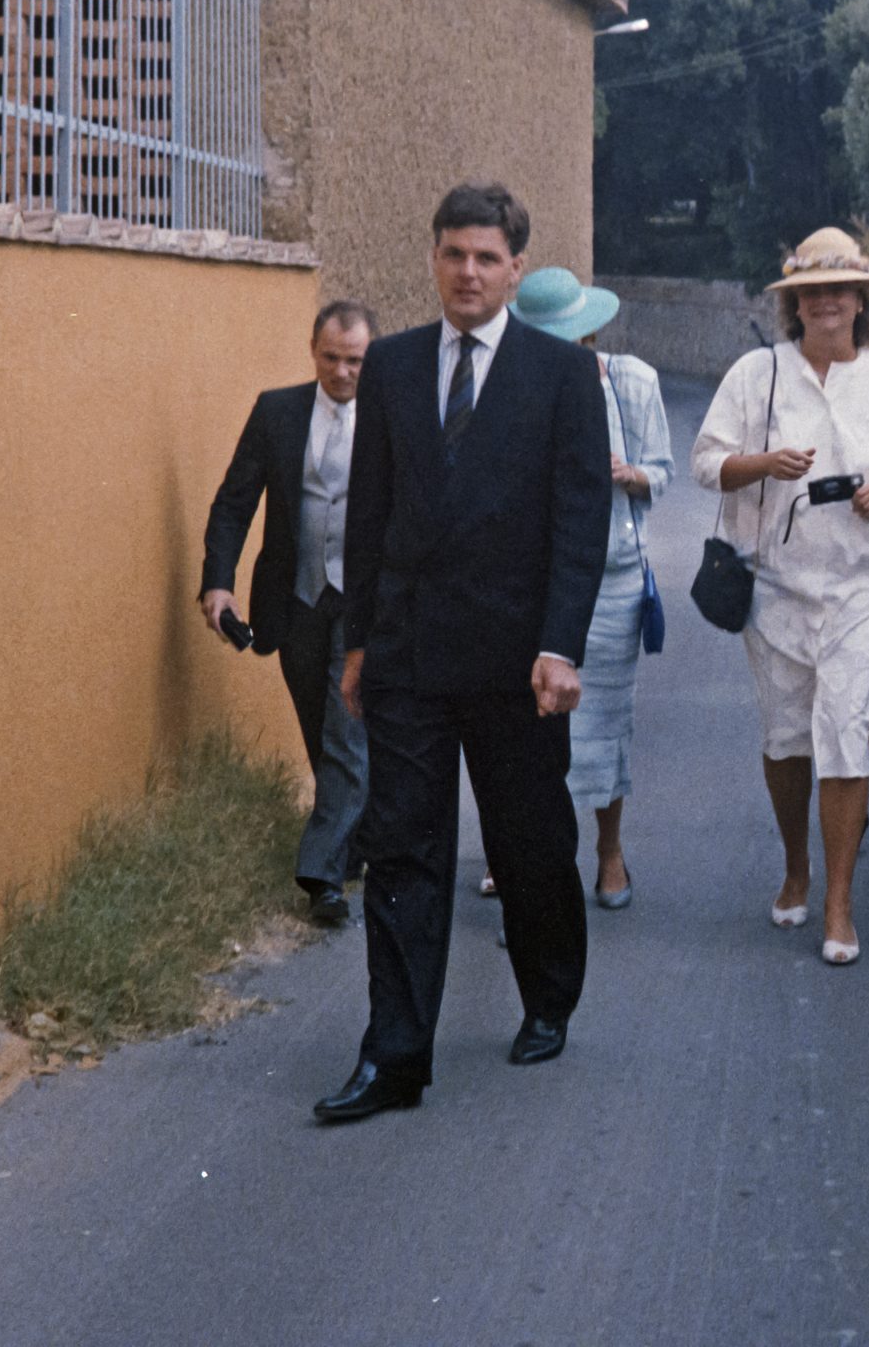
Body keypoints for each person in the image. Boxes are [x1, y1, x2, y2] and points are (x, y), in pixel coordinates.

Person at [311, 184, 611, 1125]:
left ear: (516, 268)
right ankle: (395, 1055)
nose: (468, 272)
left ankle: (548, 995)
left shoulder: (563, 374)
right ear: (434, 259)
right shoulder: (394, 365)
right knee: (403, 849)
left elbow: (580, 522)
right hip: (409, 655)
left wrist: (561, 646)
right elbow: (369, 514)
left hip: (520, 664)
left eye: (486, 257)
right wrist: (360, 643)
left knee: (529, 843)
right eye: (454, 254)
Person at [692, 229, 869, 966]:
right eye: (811, 292)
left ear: (862, 301)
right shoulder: (757, 372)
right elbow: (706, 463)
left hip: (863, 581)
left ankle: (839, 902)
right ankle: (796, 865)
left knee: (844, 727)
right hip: (775, 584)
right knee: (785, 736)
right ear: (794, 304)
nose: (826, 301)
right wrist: (763, 463)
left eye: (840, 290)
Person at [198, 301, 378, 929]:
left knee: (345, 729)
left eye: (355, 360)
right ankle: (357, 838)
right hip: (295, 598)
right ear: (312, 351)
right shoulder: (277, 411)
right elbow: (234, 501)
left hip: (361, 604)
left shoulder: (391, 417)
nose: (343, 371)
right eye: (331, 358)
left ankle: (321, 876)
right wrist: (217, 584)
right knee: (319, 725)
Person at [510, 267, 670, 910]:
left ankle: (609, 851)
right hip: (533, 582)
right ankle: (526, 863)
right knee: (528, 728)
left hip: (612, 578)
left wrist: (628, 474)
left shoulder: (633, 381)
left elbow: (663, 471)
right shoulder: (513, 387)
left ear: (590, 332)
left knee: (602, 727)